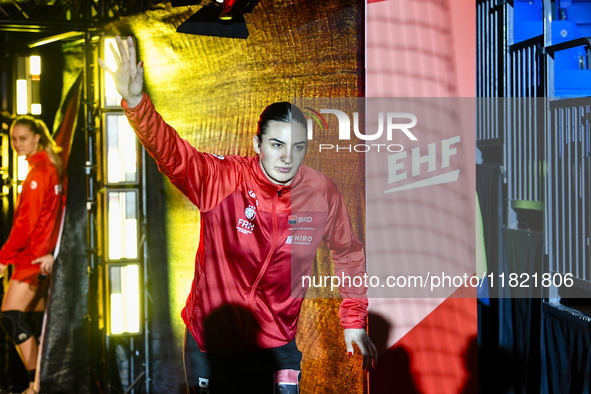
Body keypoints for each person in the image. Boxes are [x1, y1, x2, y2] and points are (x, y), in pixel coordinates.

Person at [100, 36, 377, 393]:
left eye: (297, 147)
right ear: (257, 144)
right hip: (211, 344)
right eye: (276, 145)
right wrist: (137, 103)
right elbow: (173, 154)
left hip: (277, 346)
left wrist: (353, 320)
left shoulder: (322, 192)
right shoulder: (222, 178)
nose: (287, 158)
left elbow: (348, 252)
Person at [0, 116, 63, 394]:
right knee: (33, 322)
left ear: (36, 137)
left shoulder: (39, 173)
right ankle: (37, 383)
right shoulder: (49, 167)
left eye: (22, 138)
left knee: (10, 317)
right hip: (40, 256)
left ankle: (36, 385)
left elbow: (26, 223)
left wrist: (3, 257)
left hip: (32, 258)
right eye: (13, 139)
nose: (16, 144)